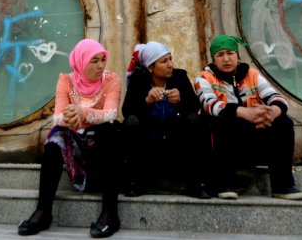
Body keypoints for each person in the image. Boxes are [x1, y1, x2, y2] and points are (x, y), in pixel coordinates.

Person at [18, 38, 122, 238]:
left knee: (110, 130)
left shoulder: (111, 80)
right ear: (81, 61)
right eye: (94, 61)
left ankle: (110, 213)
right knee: (56, 137)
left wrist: (82, 113)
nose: (101, 65)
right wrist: (72, 118)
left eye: (103, 59)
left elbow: (110, 114)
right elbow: (57, 116)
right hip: (77, 145)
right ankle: (43, 211)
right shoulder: (66, 81)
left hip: (103, 148)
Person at [194, 34, 302, 201]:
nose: (226, 59)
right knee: (219, 120)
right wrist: (244, 113)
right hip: (225, 143)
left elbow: (278, 98)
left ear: (237, 56)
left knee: (283, 121)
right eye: (220, 55)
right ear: (214, 59)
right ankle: (225, 183)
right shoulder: (204, 77)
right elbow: (210, 105)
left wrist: (271, 113)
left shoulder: (252, 74)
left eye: (230, 53)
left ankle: (283, 185)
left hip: (255, 136)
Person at [122, 41, 212, 199]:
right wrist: (147, 101)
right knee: (131, 123)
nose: (170, 64)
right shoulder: (139, 80)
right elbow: (127, 111)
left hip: (176, 138)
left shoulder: (179, 77)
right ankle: (135, 182)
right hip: (149, 138)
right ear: (150, 67)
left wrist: (180, 101)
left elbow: (193, 106)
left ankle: (196, 183)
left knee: (195, 120)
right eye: (164, 61)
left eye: (170, 59)